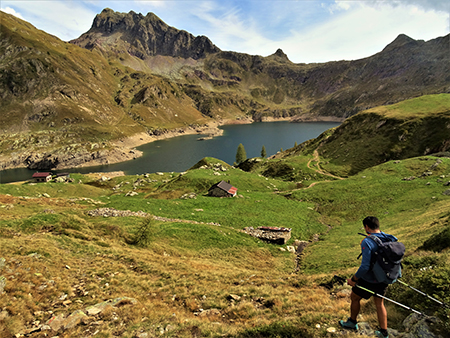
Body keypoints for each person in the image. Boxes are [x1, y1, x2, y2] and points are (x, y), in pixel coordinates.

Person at [339, 216, 398, 338]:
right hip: (384, 277)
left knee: (354, 297)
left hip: (370, 279)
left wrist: (354, 279)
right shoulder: (389, 238)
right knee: (379, 303)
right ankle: (384, 332)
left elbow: (365, 266)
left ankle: (352, 322)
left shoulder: (367, 241)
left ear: (366, 227)